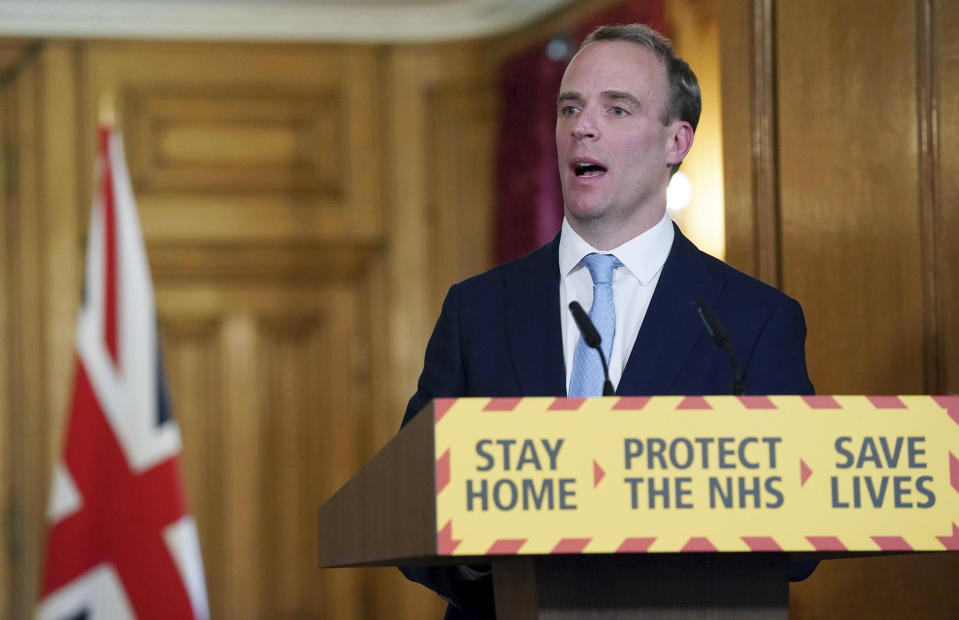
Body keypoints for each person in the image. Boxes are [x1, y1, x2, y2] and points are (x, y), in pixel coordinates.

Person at [400, 23, 814, 620]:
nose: (581, 126)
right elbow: (411, 506)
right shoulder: (478, 311)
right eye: (570, 107)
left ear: (677, 141)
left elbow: (799, 538)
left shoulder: (750, 321)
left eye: (616, 109)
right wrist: (501, 558)